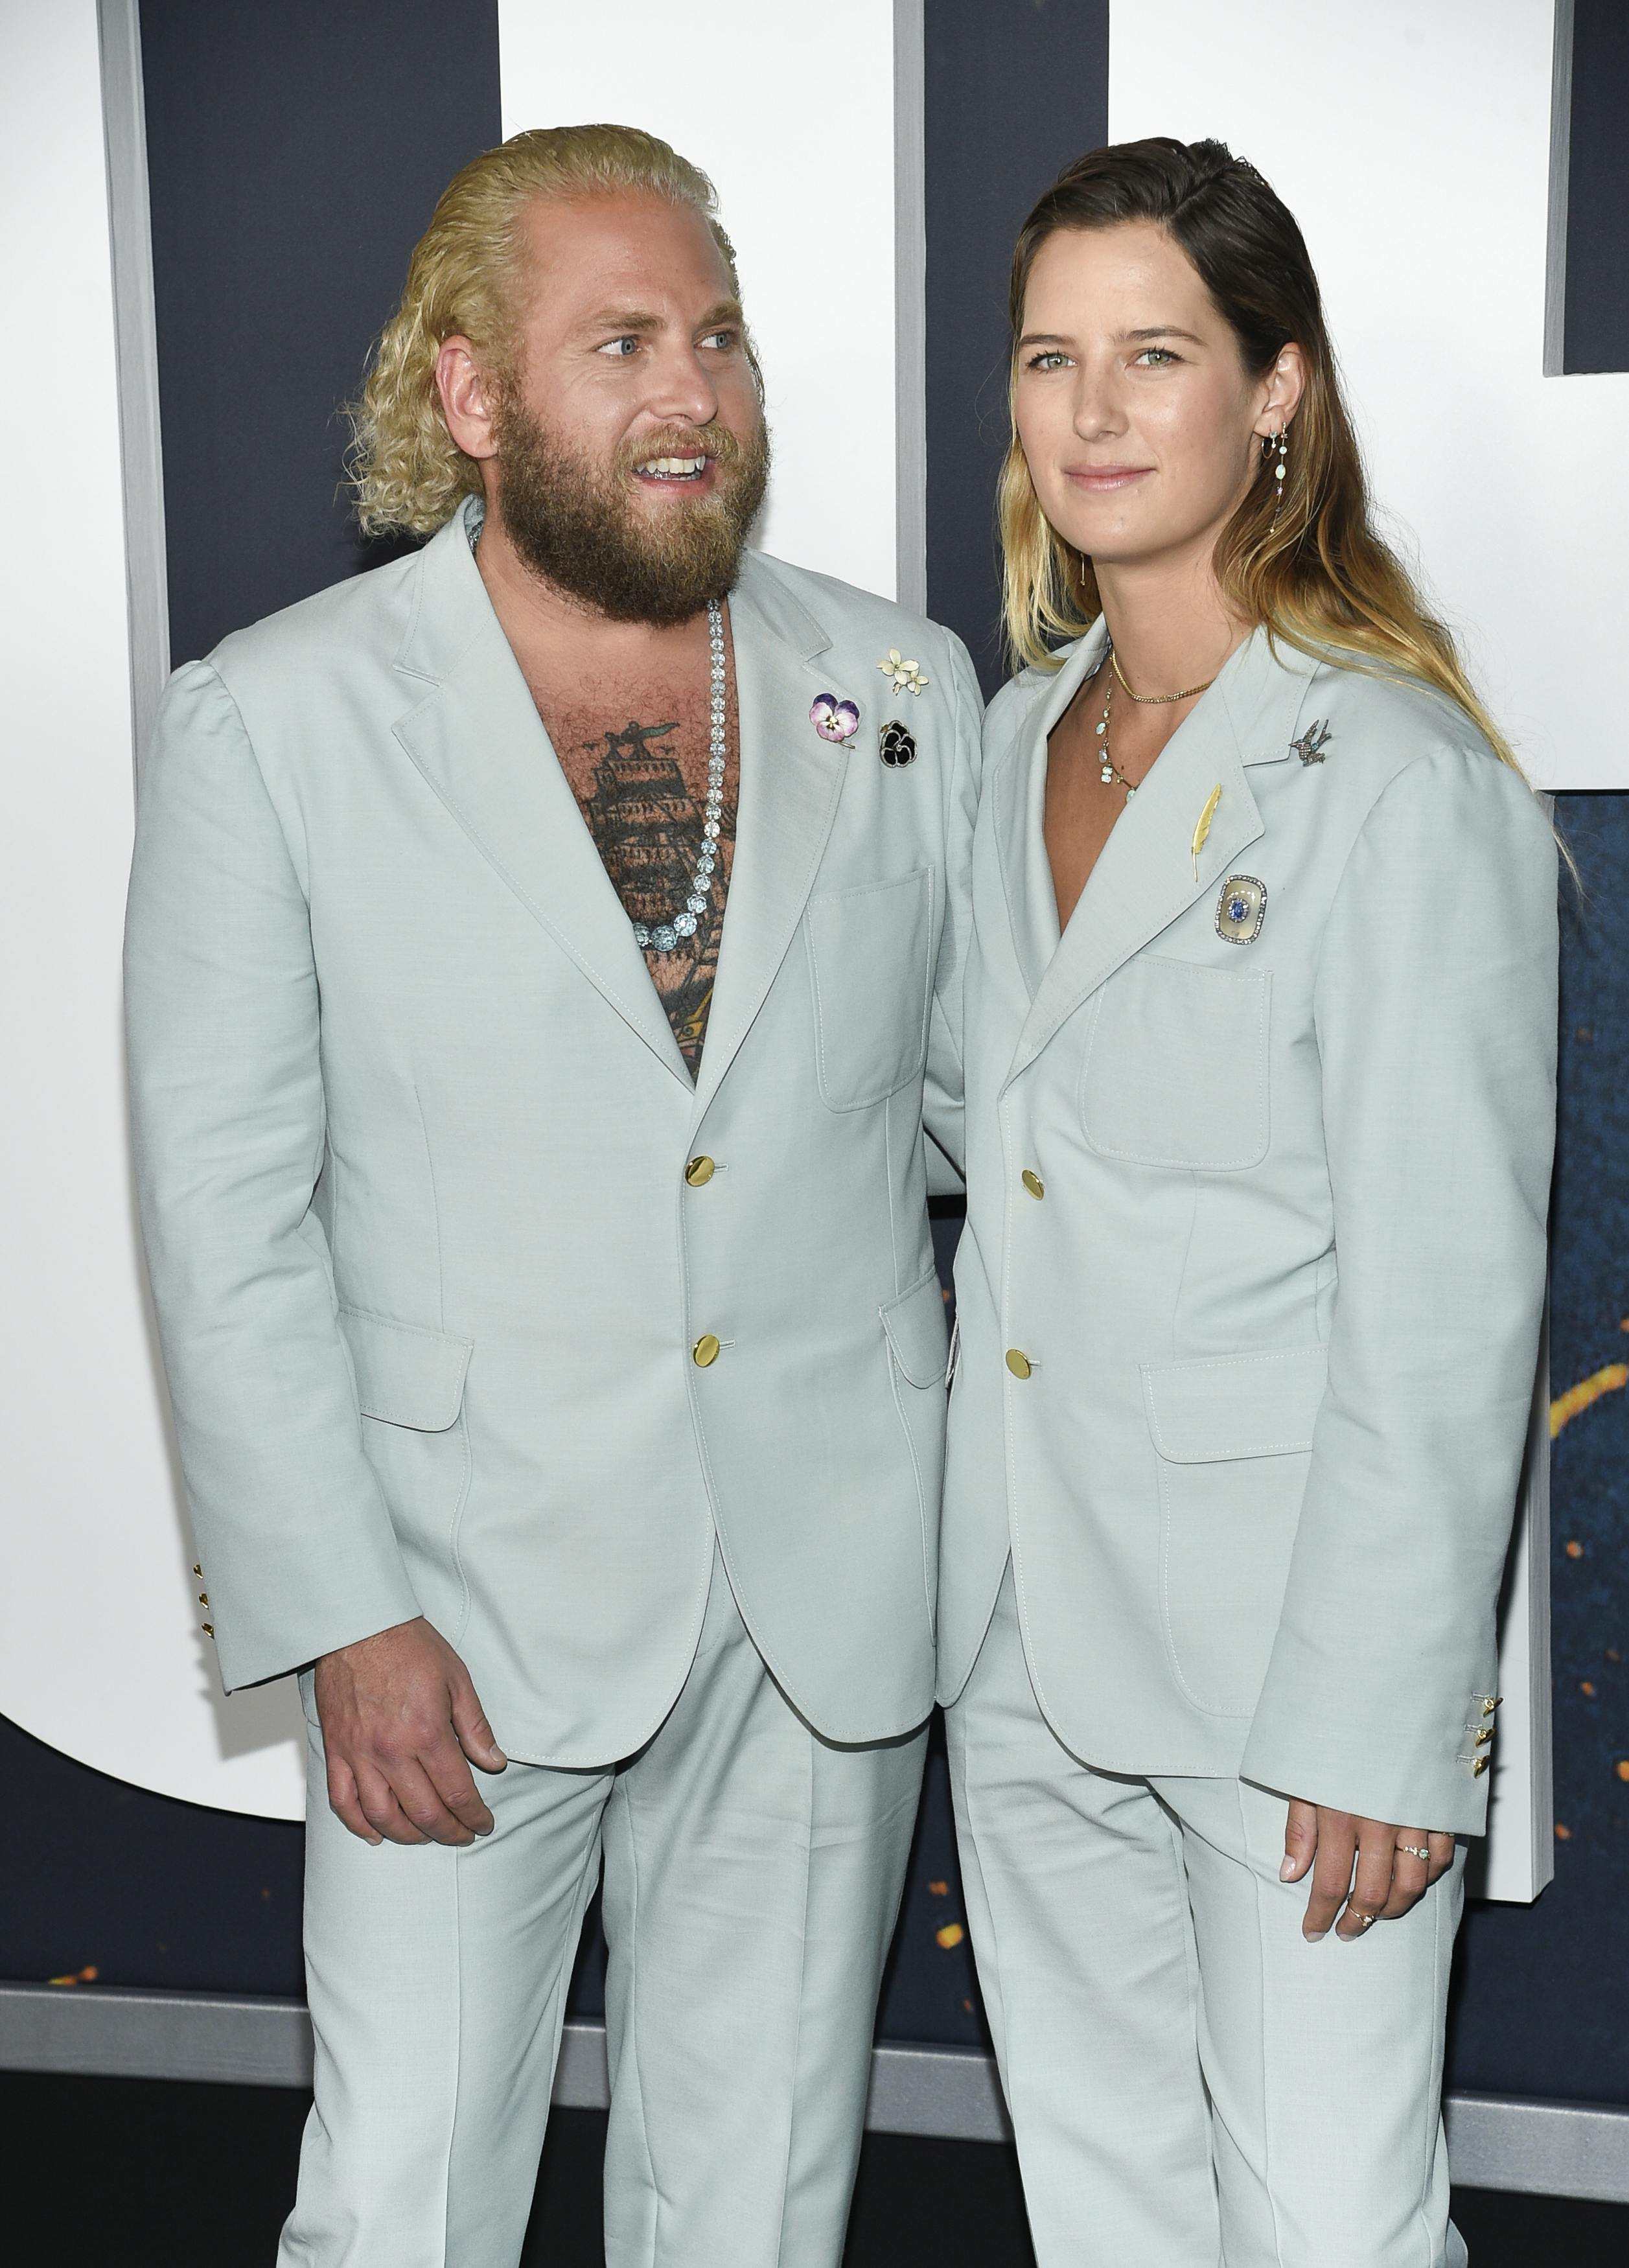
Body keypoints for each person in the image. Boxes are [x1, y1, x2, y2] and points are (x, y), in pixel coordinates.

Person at [125, 124, 980, 2268]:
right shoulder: (281, 719)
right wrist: (337, 1609)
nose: (690, 388)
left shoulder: (899, 688)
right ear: (475, 399)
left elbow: (997, 1121)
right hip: (452, 1612)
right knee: (400, 2199)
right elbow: (224, 1213)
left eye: (715, 334)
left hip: (821, 1604)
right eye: (620, 343)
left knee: (757, 2208)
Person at [936, 137, 1556, 2267]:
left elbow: (1447, 1297)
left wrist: (1387, 1718)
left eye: (1155, 355)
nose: (1093, 413)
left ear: (1272, 391)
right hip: (1021, 1632)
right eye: (1048, 357)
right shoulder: (1012, 738)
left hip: (1295, 1666)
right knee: (1105, 2215)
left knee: (1326, 2231)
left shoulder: (1394, 775)